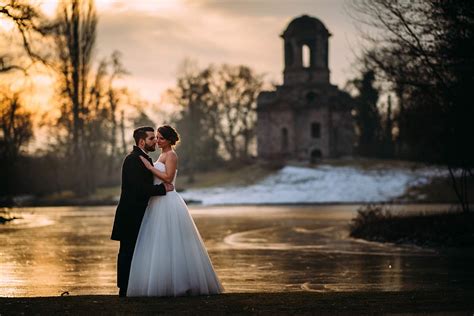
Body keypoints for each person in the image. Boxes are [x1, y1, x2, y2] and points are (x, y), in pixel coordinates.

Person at [126, 125, 224, 297]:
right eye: (156, 137)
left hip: (168, 201)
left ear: (170, 140)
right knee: (158, 242)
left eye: (161, 138)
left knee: (173, 242)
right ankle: (161, 281)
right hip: (156, 201)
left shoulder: (171, 155)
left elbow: (168, 178)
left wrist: (149, 168)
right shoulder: (161, 155)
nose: (157, 140)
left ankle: (179, 283)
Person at [111, 126, 175, 297]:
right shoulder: (133, 160)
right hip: (130, 214)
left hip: (140, 213)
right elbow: (137, 189)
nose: (155, 141)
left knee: (136, 251)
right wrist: (162, 189)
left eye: (156, 138)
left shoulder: (142, 158)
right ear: (141, 141)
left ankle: (133, 287)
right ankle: (124, 289)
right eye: (151, 138)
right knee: (127, 251)